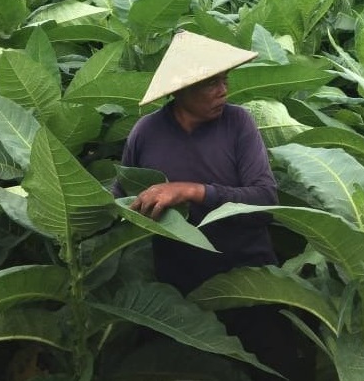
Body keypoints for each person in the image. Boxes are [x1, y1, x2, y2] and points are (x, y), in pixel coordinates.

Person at [118, 29, 300, 380]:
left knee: (271, 370)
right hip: (179, 294)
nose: (223, 91)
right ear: (181, 89)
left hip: (248, 285)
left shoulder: (238, 124)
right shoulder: (146, 132)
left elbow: (265, 199)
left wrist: (193, 191)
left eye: (225, 80)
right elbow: (124, 195)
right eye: (211, 83)